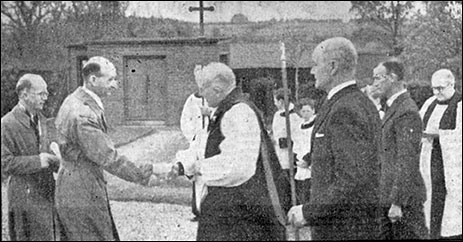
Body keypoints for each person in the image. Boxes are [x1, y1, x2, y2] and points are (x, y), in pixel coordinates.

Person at [171, 62, 291, 241]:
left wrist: (199, 168)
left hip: (241, 217)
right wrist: (183, 166)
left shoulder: (239, 112)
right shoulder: (227, 109)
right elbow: (206, 147)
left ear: (218, 89)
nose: (201, 94)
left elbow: (238, 167)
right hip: (232, 211)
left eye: (203, 88)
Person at [287, 37, 382, 240]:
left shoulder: (345, 108)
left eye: (315, 64)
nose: (312, 71)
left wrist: (308, 211)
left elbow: (351, 178)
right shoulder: (355, 102)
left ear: (332, 67)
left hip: (344, 230)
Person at [54, 56, 154, 241]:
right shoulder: (83, 114)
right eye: (110, 79)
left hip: (74, 186)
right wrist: (144, 173)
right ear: (93, 79)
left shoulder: (74, 99)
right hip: (82, 191)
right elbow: (108, 156)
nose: (115, 85)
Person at [371, 59, 428, 239]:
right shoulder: (393, 108)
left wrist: (397, 202)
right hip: (388, 196)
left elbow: (407, 160)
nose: (374, 83)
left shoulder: (406, 111)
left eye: (378, 78)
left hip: (403, 202)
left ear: (393, 78)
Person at [1, 74, 60, 241]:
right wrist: (38, 161)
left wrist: (59, 161)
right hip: (23, 195)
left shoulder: (42, 120)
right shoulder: (7, 123)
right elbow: (4, 163)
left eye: (46, 94)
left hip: (46, 192)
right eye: (41, 93)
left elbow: (48, 151)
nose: (45, 98)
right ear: (24, 95)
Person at [419, 69, 462, 240]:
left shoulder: (459, 105)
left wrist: (440, 136)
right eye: (434, 88)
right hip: (430, 157)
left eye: (440, 88)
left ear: (452, 84)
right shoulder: (430, 102)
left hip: (450, 161)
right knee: (430, 199)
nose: (436, 92)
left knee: (448, 203)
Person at [179, 65, 212, 221]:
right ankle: (198, 210)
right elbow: (185, 120)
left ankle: (210, 210)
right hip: (197, 143)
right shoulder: (191, 101)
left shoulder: (213, 99)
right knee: (196, 175)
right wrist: (192, 137)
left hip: (210, 142)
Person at [272, 88, 303, 172]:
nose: (274, 103)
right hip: (279, 157)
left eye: (275, 101)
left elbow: (298, 138)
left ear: (281, 101)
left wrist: (279, 142)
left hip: (289, 159)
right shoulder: (277, 115)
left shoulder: (295, 117)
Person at [293, 98, 316, 204]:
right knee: (300, 190)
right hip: (300, 162)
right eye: (303, 111)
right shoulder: (299, 126)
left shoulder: (316, 126)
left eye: (308, 111)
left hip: (310, 162)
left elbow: (315, 144)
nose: (305, 113)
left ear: (313, 111)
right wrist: (296, 158)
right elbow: (296, 143)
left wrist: (307, 160)